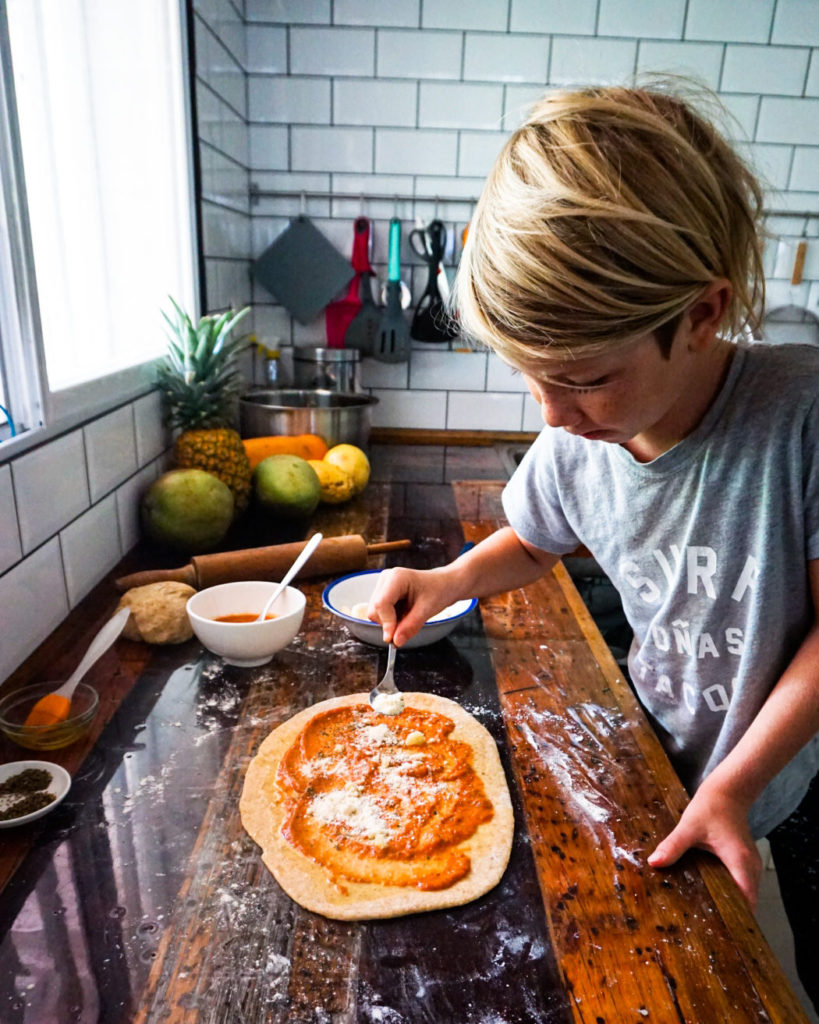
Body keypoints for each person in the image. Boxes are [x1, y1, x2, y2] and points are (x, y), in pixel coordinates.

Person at [368, 84, 819, 1012]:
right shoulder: (579, 442)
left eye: (584, 380)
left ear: (702, 313)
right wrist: (450, 577)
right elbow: (532, 543)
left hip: (806, 768)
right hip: (673, 746)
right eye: (531, 380)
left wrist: (737, 785)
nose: (553, 415)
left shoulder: (799, 420)